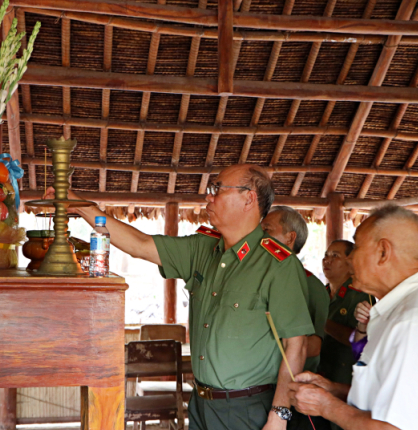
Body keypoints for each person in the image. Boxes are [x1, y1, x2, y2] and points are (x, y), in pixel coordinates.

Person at [48, 164, 312, 430]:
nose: (208, 196)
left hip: (247, 409)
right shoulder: (203, 248)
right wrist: (83, 208)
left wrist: (279, 415)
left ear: (248, 198)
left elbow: (296, 346)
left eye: (217, 189)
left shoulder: (278, 265)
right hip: (200, 403)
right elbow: (140, 245)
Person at [287, 204, 418, 430]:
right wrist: (332, 390)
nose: (350, 259)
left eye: (357, 248)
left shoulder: (413, 323)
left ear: (383, 252)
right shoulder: (401, 310)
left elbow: (393, 427)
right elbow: (387, 395)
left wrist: (325, 406)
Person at [262, 206, 330, 430]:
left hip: (293, 394)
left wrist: (282, 341)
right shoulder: (259, 279)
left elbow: (313, 347)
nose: (259, 237)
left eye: (267, 230)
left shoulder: (313, 287)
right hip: (259, 391)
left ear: (290, 238)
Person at [315, 240, 370, 388]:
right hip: (320, 371)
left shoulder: (360, 296)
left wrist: (322, 322)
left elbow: (359, 339)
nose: (327, 260)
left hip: (344, 378)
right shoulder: (321, 293)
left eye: (335, 256)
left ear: (350, 262)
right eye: (326, 255)